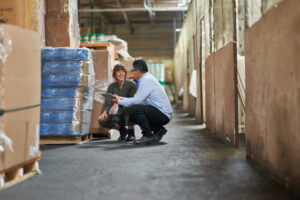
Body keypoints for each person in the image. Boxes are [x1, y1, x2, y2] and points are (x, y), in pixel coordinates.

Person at [111, 59, 173, 145]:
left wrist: (120, 101)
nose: (132, 74)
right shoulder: (146, 79)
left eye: (133, 71)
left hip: (163, 114)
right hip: (161, 112)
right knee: (133, 113)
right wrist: (120, 99)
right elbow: (141, 101)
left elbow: (137, 100)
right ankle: (158, 130)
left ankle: (147, 135)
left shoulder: (146, 80)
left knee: (135, 109)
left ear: (138, 71)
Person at [98, 64, 137, 142]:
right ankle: (123, 131)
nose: (121, 73)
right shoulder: (111, 87)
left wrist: (117, 103)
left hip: (129, 113)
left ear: (125, 73)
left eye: (123, 71)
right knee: (102, 120)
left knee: (128, 108)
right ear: (115, 74)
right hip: (117, 113)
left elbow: (132, 101)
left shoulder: (131, 85)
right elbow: (108, 103)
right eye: (118, 71)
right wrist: (104, 113)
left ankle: (131, 133)